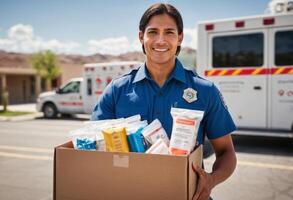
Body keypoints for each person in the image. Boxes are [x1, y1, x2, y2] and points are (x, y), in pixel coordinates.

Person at [91, 3, 237, 200]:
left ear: (180, 38)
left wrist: (211, 180)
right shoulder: (117, 90)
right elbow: (92, 150)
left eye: (169, 32)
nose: (161, 40)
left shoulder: (205, 91)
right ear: (141, 37)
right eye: (153, 32)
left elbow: (226, 152)